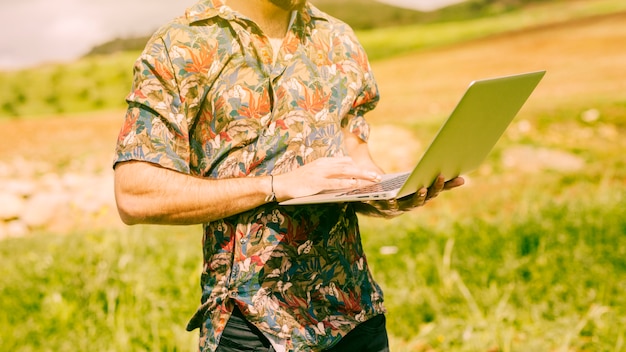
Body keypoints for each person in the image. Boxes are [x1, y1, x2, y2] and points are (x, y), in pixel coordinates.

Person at [113, 0, 464, 351]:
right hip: (252, 326)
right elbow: (135, 193)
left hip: (356, 316)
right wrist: (276, 187)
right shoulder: (181, 44)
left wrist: (391, 194)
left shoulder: (338, 38)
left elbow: (357, 161)